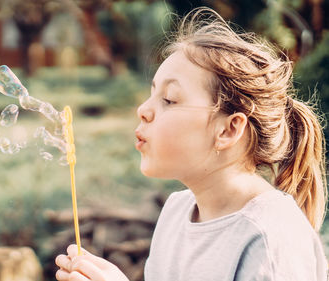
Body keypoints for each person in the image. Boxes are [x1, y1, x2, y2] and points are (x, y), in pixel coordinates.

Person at [54, 7, 329, 281]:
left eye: (170, 99)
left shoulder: (270, 238)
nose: (143, 110)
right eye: (152, 94)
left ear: (228, 129)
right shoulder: (176, 211)